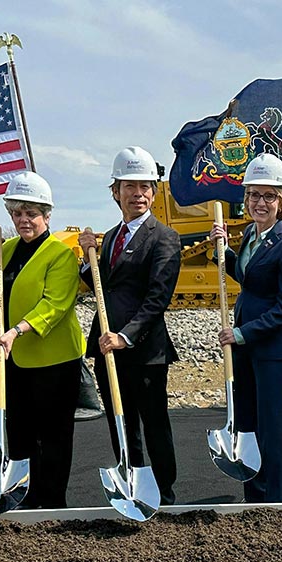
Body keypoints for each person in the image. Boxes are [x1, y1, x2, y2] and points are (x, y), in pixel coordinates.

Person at [78, 147, 182, 505]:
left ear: (153, 192)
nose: (138, 194)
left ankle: (164, 492)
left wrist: (126, 336)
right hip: (107, 349)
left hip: (145, 351)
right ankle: (133, 481)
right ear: (116, 191)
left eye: (145, 187)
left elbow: (158, 297)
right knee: (120, 423)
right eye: (129, 186)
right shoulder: (110, 237)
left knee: (154, 423)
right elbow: (105, 287)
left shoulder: (164, 237)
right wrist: (87, 260)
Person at [0, 172, 84, 509]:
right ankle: (24, 496)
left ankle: (52, 502)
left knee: (53, 435)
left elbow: (54, 304)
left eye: (32, 213)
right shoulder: (6, 249)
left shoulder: (60, 254)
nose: (24, 220)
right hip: (13, 357)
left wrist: (16, 331)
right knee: (19, 431)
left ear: (47, 216)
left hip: (54, 359)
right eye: (17, 213)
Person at [209, 154, 282, 503]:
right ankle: (253, 496)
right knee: (248, 424)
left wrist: (241, 333)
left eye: (269, 196)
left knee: (271, 428)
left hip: (273, 352)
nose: (260, 203)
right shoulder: (251, 235)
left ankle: (274, 499)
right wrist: (222, 252)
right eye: (254, 195)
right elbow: (250, 279)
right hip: (246, 349)